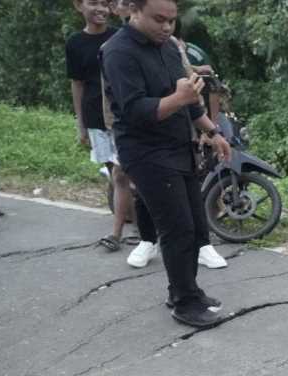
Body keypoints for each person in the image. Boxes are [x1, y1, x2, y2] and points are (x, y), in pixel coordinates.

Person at [101, 0, 232, 327]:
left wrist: (213, 132)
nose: (166, 27)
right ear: (135, 10)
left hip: (178, 146)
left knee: (195, 225)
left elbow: (190, 102)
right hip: (146, 152)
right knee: (177, 228)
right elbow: (135, 111)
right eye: (159, 19)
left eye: (172, 21)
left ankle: (187, 291)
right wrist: (181, 98)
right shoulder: (118, 52)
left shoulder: (170, 48)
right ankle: (184, 303)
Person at [66, 0, 135, 252]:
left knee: (122, 173)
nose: (101, 9)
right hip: (95, 116)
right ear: (78, 6)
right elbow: (77, 84)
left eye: (105, 4)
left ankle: (120, 233)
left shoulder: (120, 37)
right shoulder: (75, 43)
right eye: (94, 3)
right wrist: (80, 124)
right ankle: (138, 226)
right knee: (117, 174)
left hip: (121, 115)